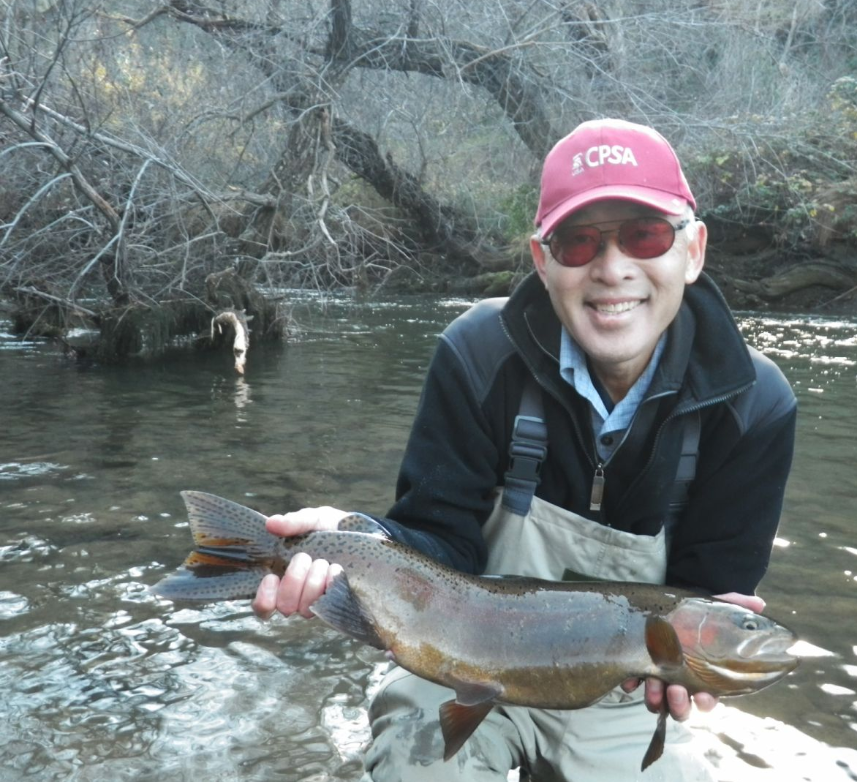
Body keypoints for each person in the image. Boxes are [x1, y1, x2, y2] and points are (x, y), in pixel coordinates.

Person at [252, 118, 797, 781]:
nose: (612, 268)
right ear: (541, 260)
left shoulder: (754, 405)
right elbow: (438, 541)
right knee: (415, 766)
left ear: (693, 250)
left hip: (619, 696)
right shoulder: (477, 356)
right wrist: (358, 540)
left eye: (644, 235)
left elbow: (710, 587)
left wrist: (695, 665)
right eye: (577, 243)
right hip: (462, 663)